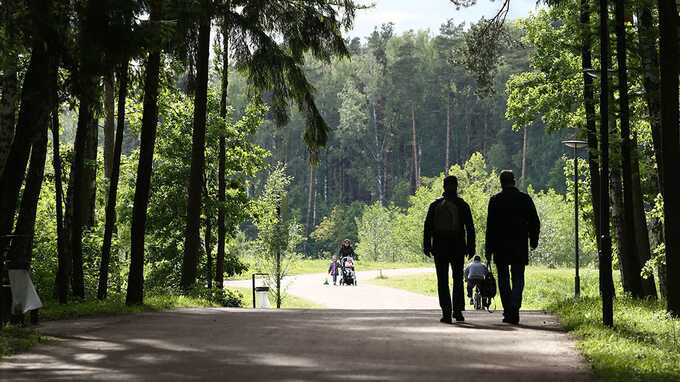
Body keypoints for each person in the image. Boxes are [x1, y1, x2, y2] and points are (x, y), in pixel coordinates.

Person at [485, 170, 540, 324]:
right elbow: (535, 221)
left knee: (503, 279)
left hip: (500, 246)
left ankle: (509, 310)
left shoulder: (495, 200)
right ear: (514, 181)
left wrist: (488, 250)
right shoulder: (524, 199)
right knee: (518, 277)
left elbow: (490, 227)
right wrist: (533, 240)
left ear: (501, 182)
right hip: (519, 245)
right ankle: (514, 306)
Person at [423, 175, 476, 323]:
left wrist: (427, 245)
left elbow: (428, 227)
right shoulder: (462, 205)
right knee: (458, 278)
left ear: (444, 186)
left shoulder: (435, 205)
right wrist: (471, 247)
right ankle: (458, 311)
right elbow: (470, 228)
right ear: (456, 186)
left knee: (442, 280)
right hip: (457, 246)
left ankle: (446, 312)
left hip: (440, 246)